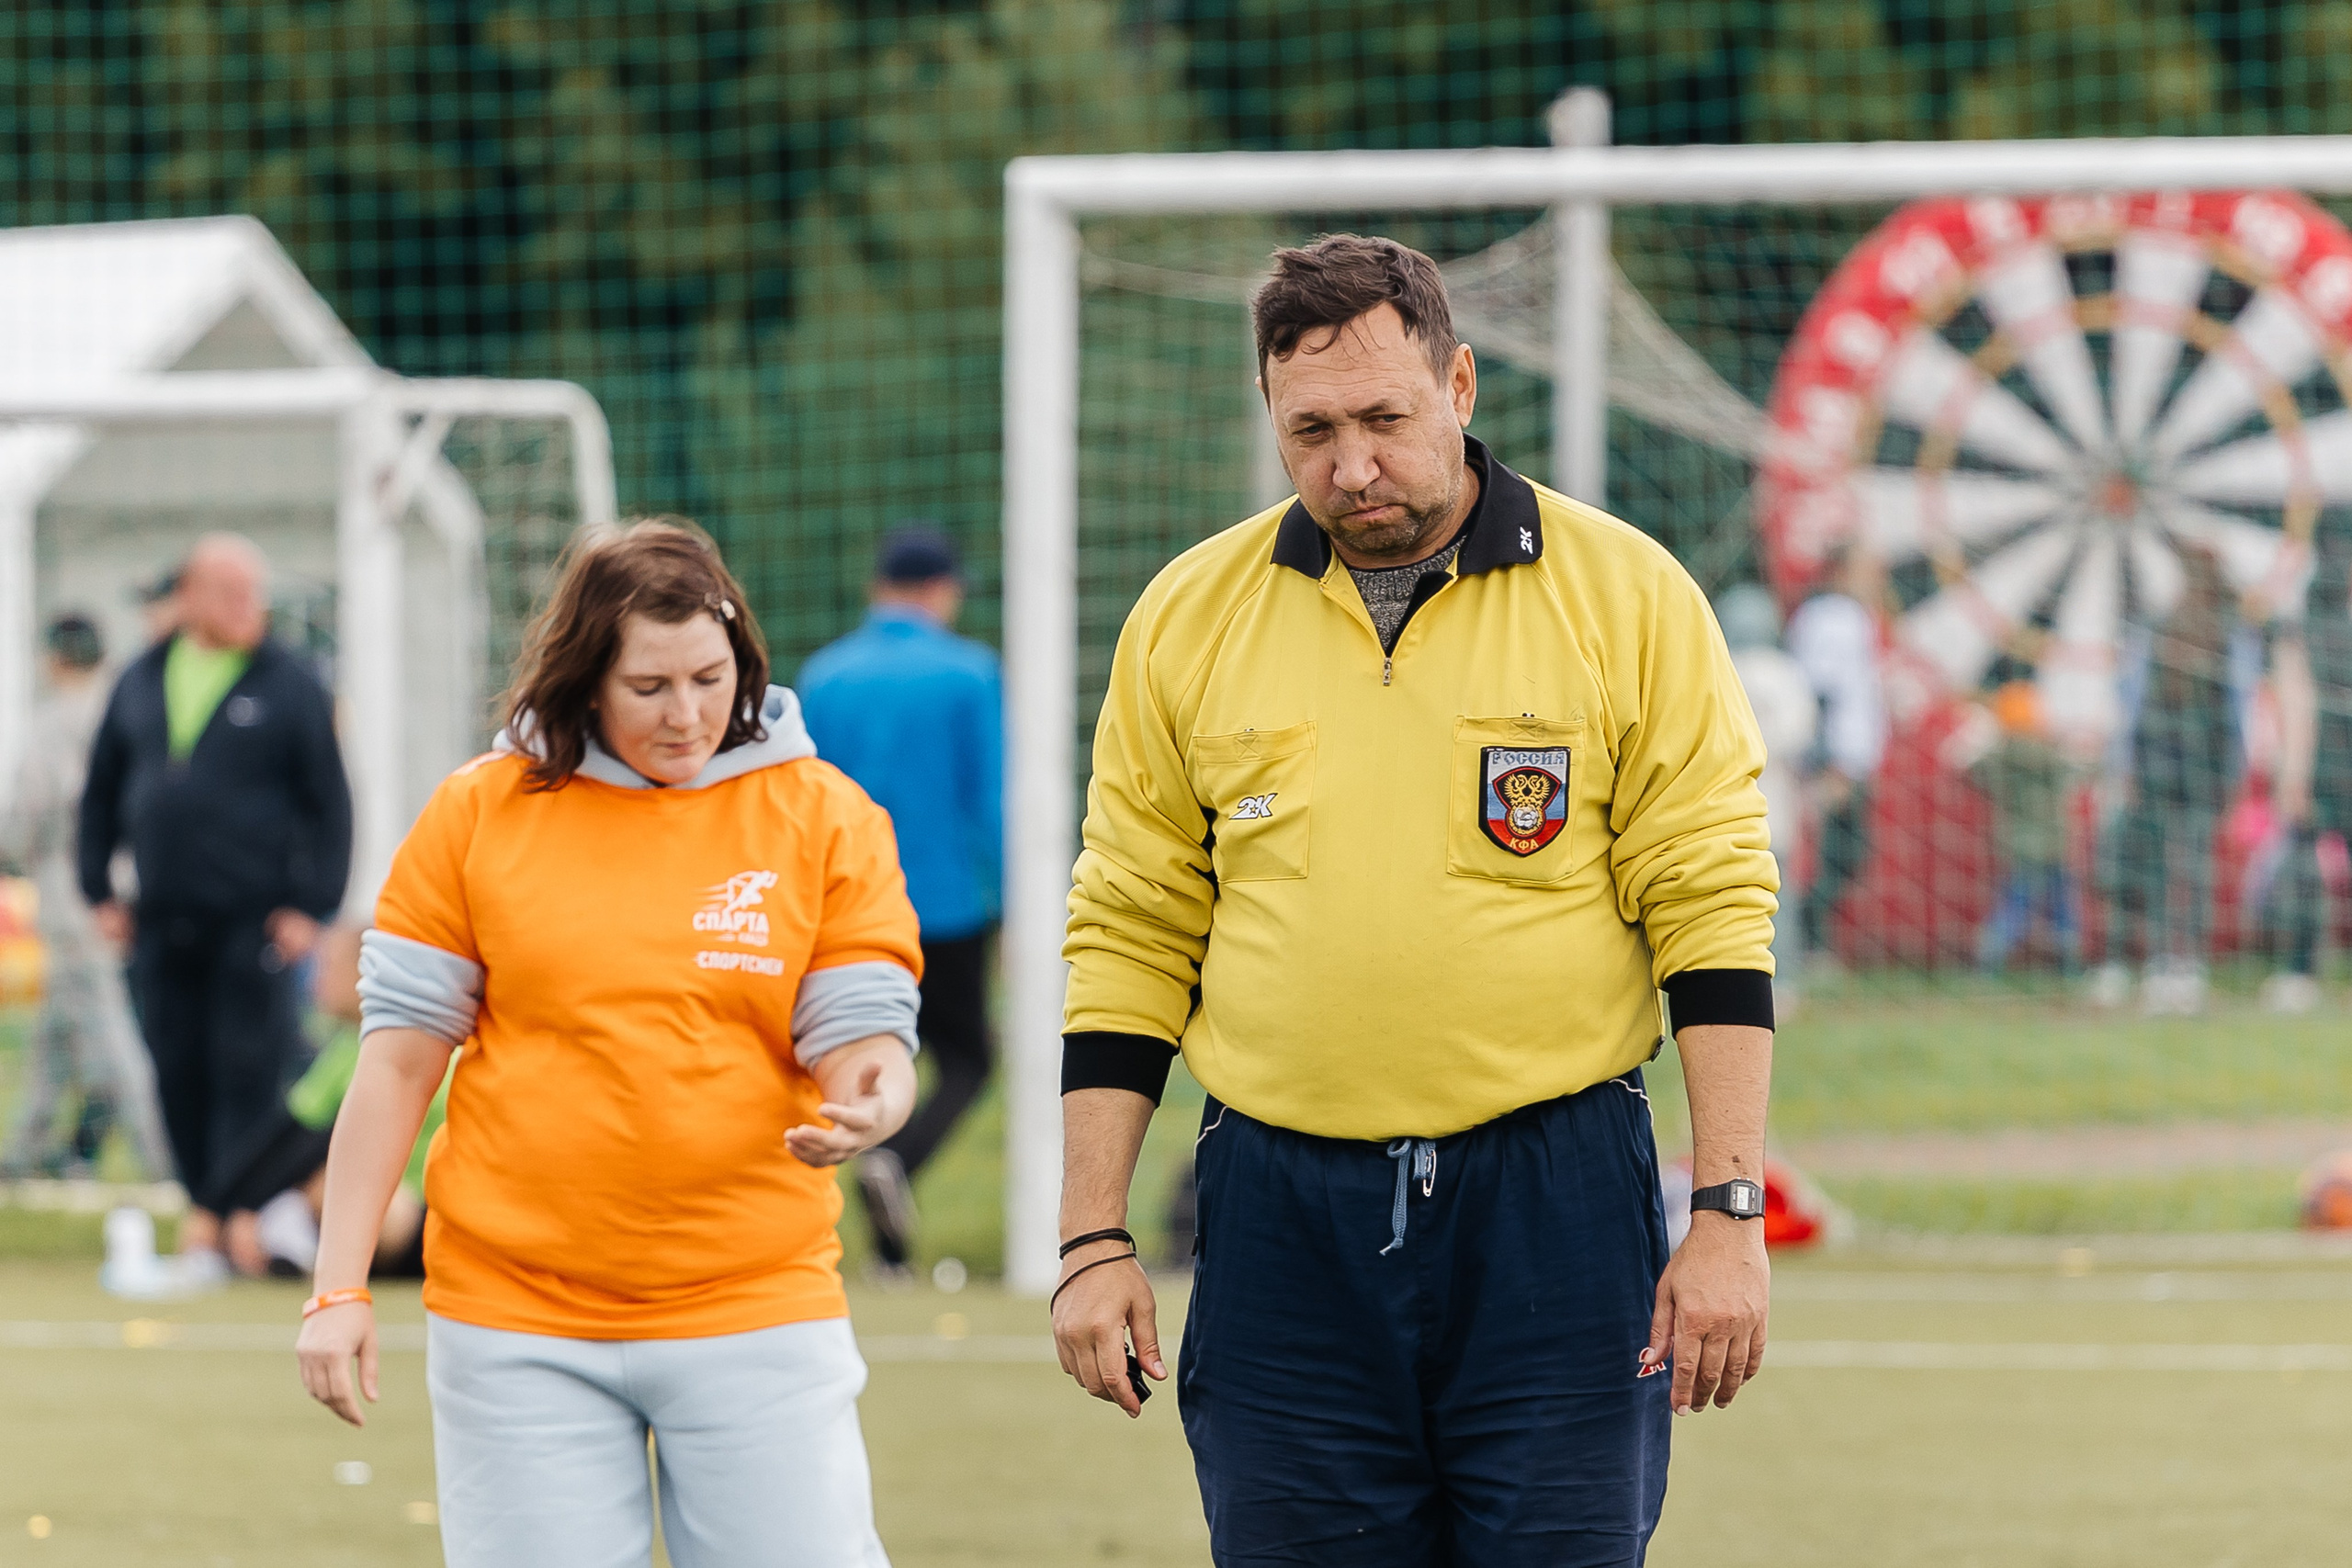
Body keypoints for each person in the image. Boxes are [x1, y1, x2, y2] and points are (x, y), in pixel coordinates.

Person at [1052, 235, 1778, 1563]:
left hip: (1555, 1205)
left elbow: (1714, 908)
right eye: (1311, 428)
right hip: (1280, 1213)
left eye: (1385, 417)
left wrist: (1729, 1210)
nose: (1351, 464)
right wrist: (1090, 1232)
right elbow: (1129, 927)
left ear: (1459, 383)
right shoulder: (1186, 617)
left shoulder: (1627, 595)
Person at [295, 519, 920, 1568]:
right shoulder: (476, 815)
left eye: (710, 678)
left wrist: (874, 1099)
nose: (688, 716)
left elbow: (865, 1040)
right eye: (650, 688)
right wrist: (338, 1289)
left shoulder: (823, 814)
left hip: (754, 1303)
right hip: (514, 1321)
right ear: (586, 680)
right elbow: (398, 1065)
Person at [77, 535, 352, 1280]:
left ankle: (231, 1223)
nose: (247, 608)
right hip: (162, 922)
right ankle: (202, 1208)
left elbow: (330, 803)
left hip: (254, 922)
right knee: (177, 1070)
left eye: (253, 593)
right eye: (230, 593)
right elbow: (101, 791)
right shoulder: (140, 678)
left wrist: (312, 905)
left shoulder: (291, 683)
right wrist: (98, 890)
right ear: (191, 594)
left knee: (247, 1070)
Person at [798, 525, 1003, 1273]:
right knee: (969, 1058)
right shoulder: (971, 673)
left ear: (876, 588)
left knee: (866, 1057)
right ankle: (898, 1164)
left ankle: (885, 1252)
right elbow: (992, 799)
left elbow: (804, 798)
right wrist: (1012, 901)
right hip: (945, 907)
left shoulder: (823, 677)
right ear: (942, 589)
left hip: (847, 909)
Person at [0, 614, 172, 1179]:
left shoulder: (57, 721)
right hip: (131, 884)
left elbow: (26, 818)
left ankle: (162, 1161)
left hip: (72, 889)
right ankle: (28, 1151)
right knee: (60, 1029)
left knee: (111, 1036)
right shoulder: (129, 705)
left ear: (55, 657)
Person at [2097, 546, 2249, 1016]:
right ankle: (2186, 970)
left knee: (2161, 870)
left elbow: (2133, 701)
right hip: (2204, 769)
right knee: (2194, 869)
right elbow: (2239, 712)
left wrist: (2125, 765)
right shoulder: (2230, 633)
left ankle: (2159, 966)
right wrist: (2235, 770)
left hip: (2160, 766)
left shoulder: (2163, 628)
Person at [1785, 540, 1888, 971]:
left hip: (1854, 757)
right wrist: (1827, 759)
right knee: (1828, 854)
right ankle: (1806, 947)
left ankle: (1811, 944)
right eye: (1866, 568)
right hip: (1835, 760)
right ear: (1843, 571)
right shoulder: (1829, 617)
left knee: (1847, 855)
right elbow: (1818, 690)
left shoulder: (1853, 616)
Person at [1715, 583, 1816, 1014]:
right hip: (1776, 801)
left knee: (1725, 901)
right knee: (1779, 902)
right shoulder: (1785, 671)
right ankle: (1785, 984)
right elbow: (1800, 736)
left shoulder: (1720, 664)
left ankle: (1721, 982)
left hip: (1721, 806)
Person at [1955, 682, 2084, 975]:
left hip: (2016, 842)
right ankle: (2069, 967)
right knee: (2057, 909)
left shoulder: (1997, 755)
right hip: (2053, 842)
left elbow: (1970, 773)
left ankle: (1988, 964)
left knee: (2018, 906)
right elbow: (2079, 772)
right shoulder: (2045, 751)